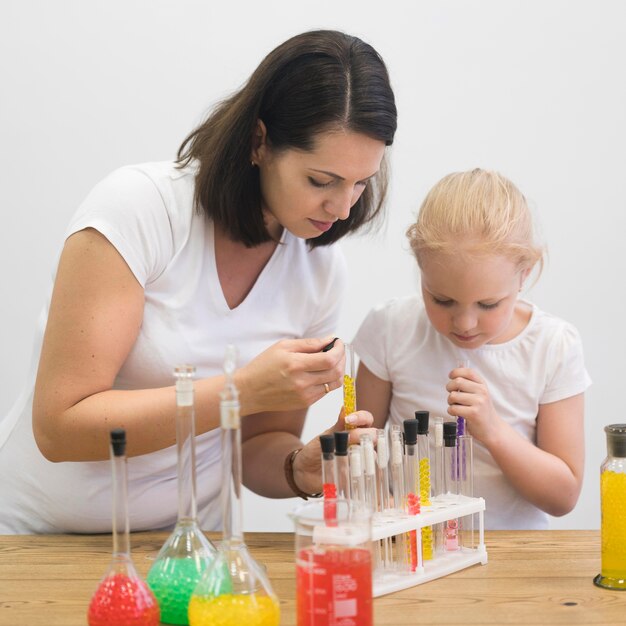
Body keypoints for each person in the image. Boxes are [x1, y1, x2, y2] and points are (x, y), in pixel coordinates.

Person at [0, 29, 396, 533]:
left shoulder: (318, 272)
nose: (343, 208)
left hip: (192, 550)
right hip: (38, 540)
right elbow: (59, 428)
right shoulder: (142, 210)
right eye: (322, 181)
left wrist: (302, 466)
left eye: (361, 182)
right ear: (259, 142)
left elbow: (254, 446)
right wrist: (239, 391)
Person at [353, 168, 590, 529]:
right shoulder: (390, 328)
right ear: (420, 267)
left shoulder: (553, 346)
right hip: (414, 549)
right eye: (442, 300)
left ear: (524, 274)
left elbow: (563, 496)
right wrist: (381, 506)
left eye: (488, 304)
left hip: (515, 559)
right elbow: (358, 449)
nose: (464, 323)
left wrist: (493, 429)